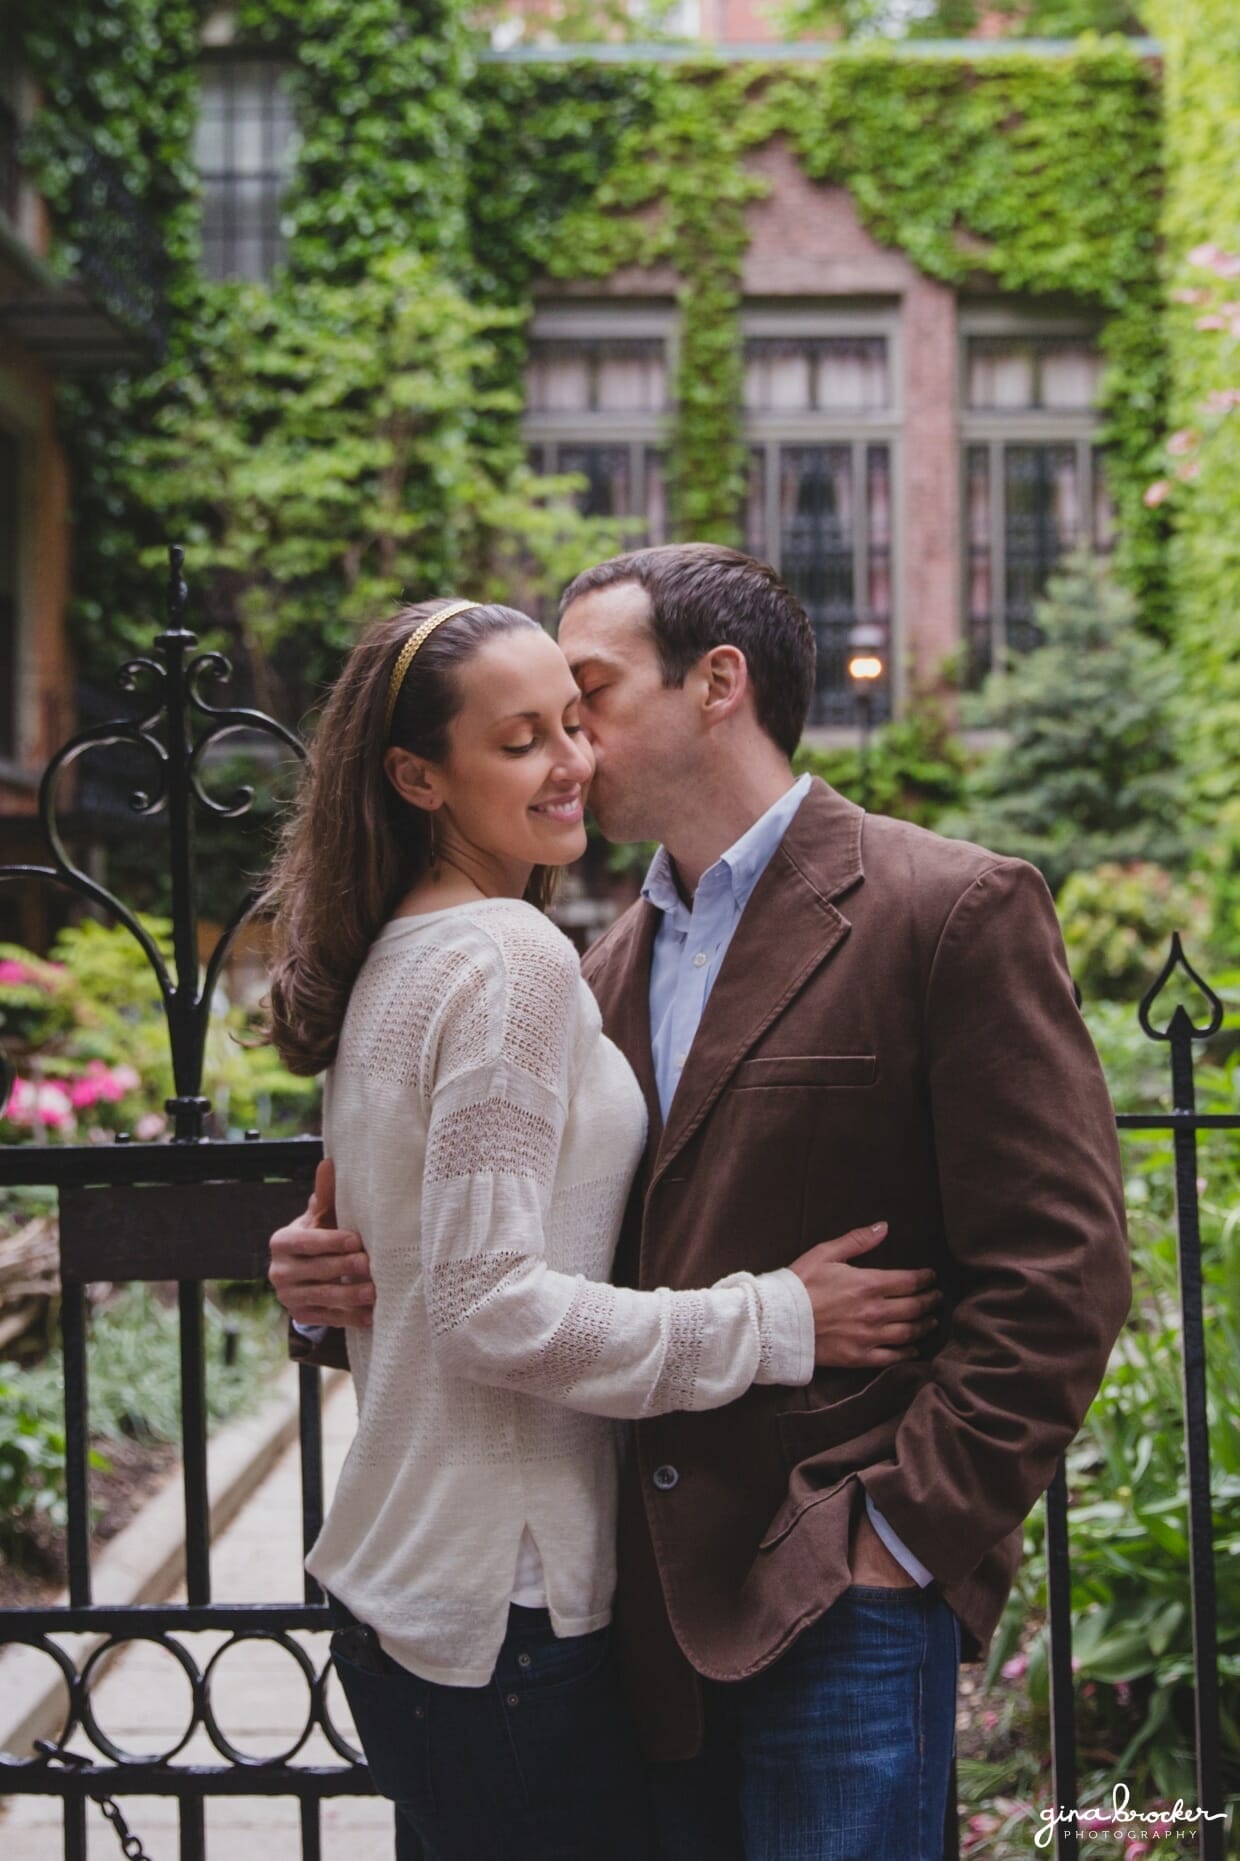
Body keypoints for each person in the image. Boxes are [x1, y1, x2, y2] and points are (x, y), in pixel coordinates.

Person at [274, 545, 1131, 1861]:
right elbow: (520, 1260)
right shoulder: (593, 959)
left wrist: (900, 1535)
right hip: (631, 1618)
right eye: (537, 722)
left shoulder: (948, 906)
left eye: (588, 696)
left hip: (837, 1599)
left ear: (715, 682)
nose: (570, 740)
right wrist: (336, 1273)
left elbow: (1062, 1270)